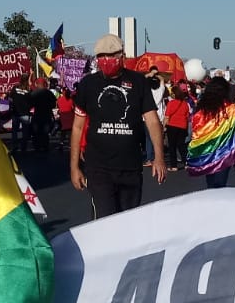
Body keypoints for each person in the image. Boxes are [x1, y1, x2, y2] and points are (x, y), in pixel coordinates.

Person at [70, 34, 166, 217]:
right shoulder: (88, 84)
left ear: (122, 56)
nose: (106, 60)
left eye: (111, 55)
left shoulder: (139, 82)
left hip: (130, 167)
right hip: (98, 168)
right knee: (105, 221)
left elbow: (152, 120)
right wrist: (74, 167)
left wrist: (159, 157)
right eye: (101, 56)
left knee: (127, 222)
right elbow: (77, 127)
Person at [185, 75, 235, 188]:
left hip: (207, 153)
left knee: (211, 185)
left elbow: (196, 130)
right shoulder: (230, 109)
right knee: (220, 185)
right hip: (225, 154)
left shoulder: (202, 108)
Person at [164, 80, 191, 170]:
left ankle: (174, 166)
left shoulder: (171, 103)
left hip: (172, 126)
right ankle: (186, 163)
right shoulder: (185, 104)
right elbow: (187, 117)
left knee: (172, 146)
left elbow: (167, 116)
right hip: (182, 126)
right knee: (181, 146)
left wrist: (164, 127)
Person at [27, 76, 56, 153]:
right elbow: (53, 105)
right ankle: (45, 146)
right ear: (44, 84)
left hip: (37, 116)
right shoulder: (49, 93)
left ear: (37, 84)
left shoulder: (34, 93)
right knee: (45, 133)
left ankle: (37, 146)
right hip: (46, 116)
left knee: (36, 132)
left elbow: (29, 104)